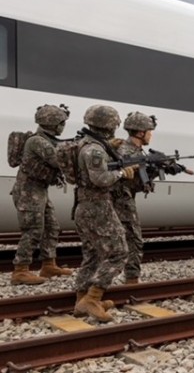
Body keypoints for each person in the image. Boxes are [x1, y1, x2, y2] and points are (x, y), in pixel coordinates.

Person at [112, 112, 193, 284]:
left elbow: (143, 173)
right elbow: (128, 169)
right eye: (149, 131)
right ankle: (131, 278)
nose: (151, 134)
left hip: (125, 197)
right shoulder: (126, 151)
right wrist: (152, 163)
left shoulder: (135, 150)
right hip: (120, 199)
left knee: (125, 238)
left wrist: (172, 166)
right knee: (133, 238)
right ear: (140, 133)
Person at [73, 104, 134, 322]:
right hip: (98, 207)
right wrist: (121, 173)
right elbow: (100, 179)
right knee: (119, 252)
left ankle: (81, 302)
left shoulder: (87, 144)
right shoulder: (95, 150)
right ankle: (92, 298)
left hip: (83, 207)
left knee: (93, 254)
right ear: (109, 125)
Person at [10, 104, 74, 285]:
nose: (63, 126)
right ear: (53, 123)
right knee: (33, 229)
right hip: (28, 191)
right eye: (61, 122)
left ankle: (48, 264)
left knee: (52, 227)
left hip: (39, 190)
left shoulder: (47, 139)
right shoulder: (37, 141)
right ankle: (20, 270)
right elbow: (57, 160)